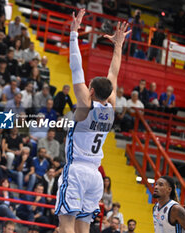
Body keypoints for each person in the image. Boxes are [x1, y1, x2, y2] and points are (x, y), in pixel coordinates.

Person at [55, 9, 131, 233]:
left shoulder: (85, 107)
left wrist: (73, 34)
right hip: (97, 176)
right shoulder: (112, 107)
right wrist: (118, 46)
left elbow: (76, 67)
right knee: (84, 228)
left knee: (66, 223)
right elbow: (113, 74)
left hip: (77, 170)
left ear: (91, 90)